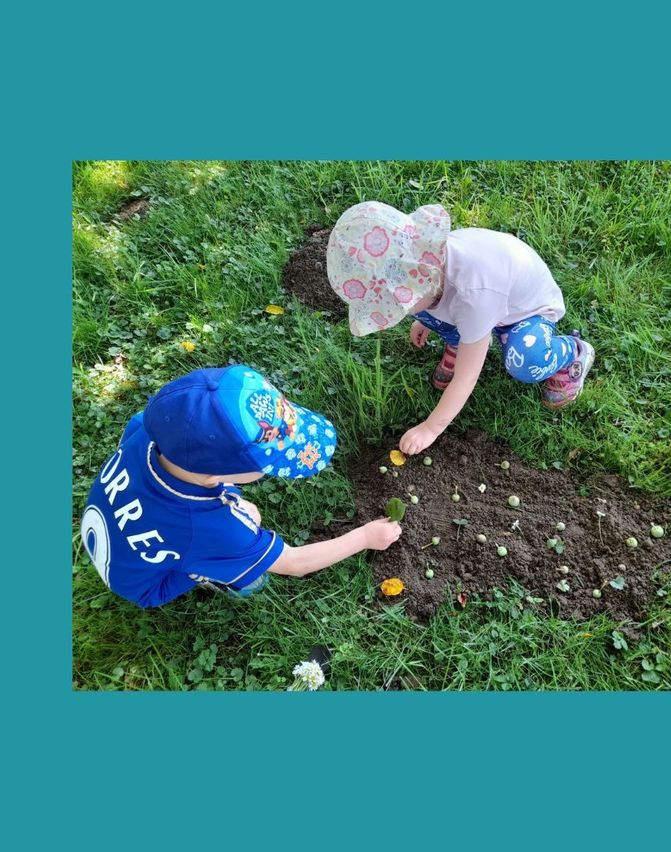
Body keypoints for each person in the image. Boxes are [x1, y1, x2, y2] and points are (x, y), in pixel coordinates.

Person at [79, 365, 401, 608]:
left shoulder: (149, 433)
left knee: (223, 521)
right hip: (146, 584)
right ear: (220, 472)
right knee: (254, 579)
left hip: (114, 529)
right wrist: (366, 537)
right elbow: (295, 563)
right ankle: (217, 576)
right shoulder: (218, 528)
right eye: (265, 465)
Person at [326, 201, 595, 456]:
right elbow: (429, 300)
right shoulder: (430, 269)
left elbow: (466, 379)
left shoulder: (474, 294)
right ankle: (460, 338)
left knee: (525, 362)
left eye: (398, 302)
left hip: (526, 312)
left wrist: (430, 428)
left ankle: (572, 352)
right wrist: (424, 321)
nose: (398, 310)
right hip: (482, 304)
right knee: (425, 310)